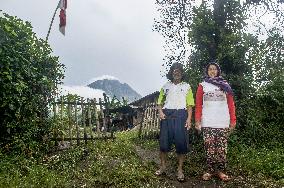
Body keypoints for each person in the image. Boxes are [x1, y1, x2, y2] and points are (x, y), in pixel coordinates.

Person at [195, 61, 236, 181]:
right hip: (207, 121)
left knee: (222, 148)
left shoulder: (225, 85)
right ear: (207, 72)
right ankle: (210, 170)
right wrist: (197, 121)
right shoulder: (202, 85)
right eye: (210, 69)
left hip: (223, 121)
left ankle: (221, 171)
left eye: (214, 69)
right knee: (209, 147)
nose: (212, 71)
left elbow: (231, 104)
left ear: (218, 71)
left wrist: (233, 121)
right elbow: (198, 105)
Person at [155, 62, 195, 182]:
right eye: (174, 70)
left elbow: (189, 105)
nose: (176, 72)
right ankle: (162, 167)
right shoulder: (165, 86)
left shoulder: (187, 86)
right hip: (167, 116)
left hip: (181, 115)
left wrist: (189, 119)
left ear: (182, 73)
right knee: (163, 144)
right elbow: (159, 102)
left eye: (178, 70)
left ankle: (180, 170)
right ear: (171, 73)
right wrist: (161, 112)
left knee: (181, 144)